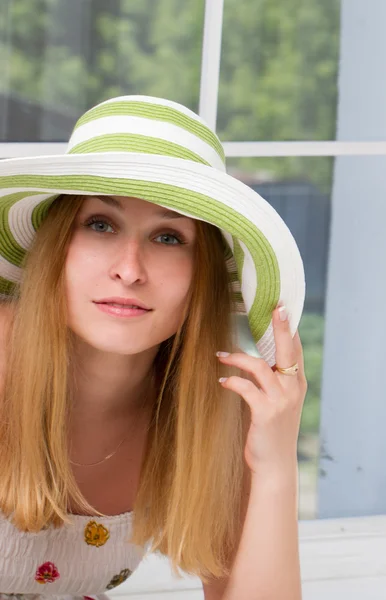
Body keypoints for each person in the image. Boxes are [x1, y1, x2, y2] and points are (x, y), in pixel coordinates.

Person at [0, 95, 307, 600]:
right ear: (57, 247)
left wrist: (276, 468)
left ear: (202, 277)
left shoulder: (214, 412)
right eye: (101, 224)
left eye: (168, 237)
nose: (129, 269)